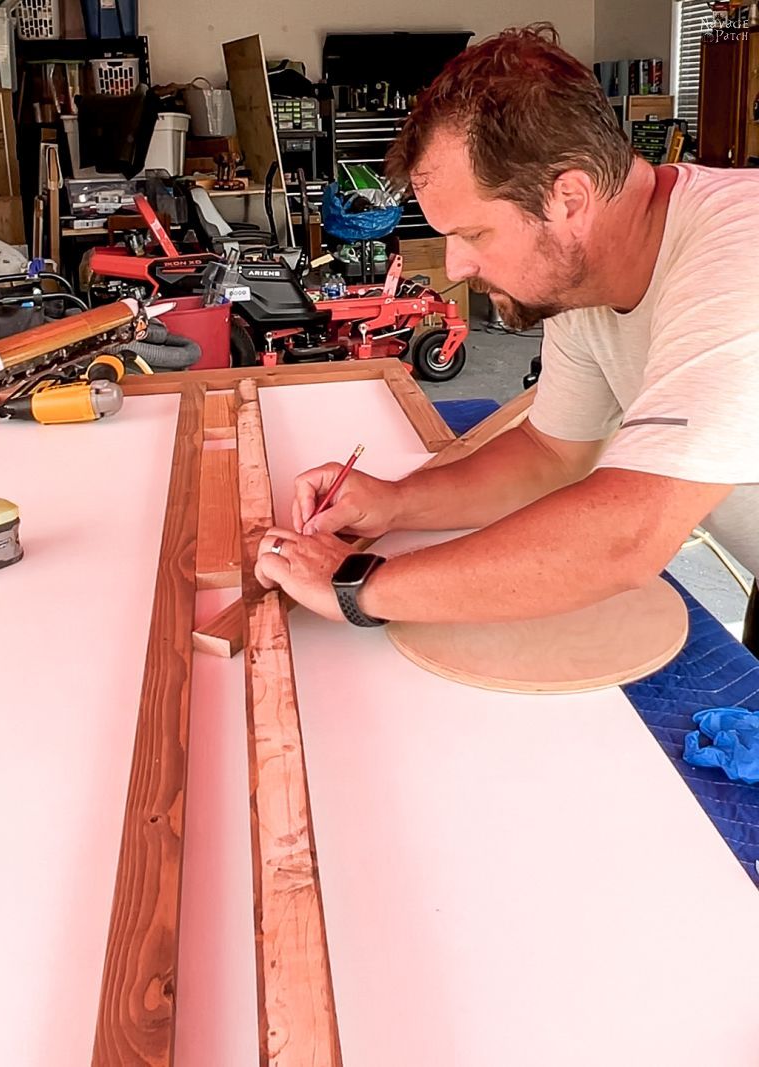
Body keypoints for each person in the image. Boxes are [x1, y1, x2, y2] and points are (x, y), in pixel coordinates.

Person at [256, 22, 759, 643]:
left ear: (569, 198)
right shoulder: (585, 276)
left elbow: (629, 535)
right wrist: (394, 502)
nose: (457, 267)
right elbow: (552, 456)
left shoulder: (741, 253)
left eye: (474, 234)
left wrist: (360, 587)